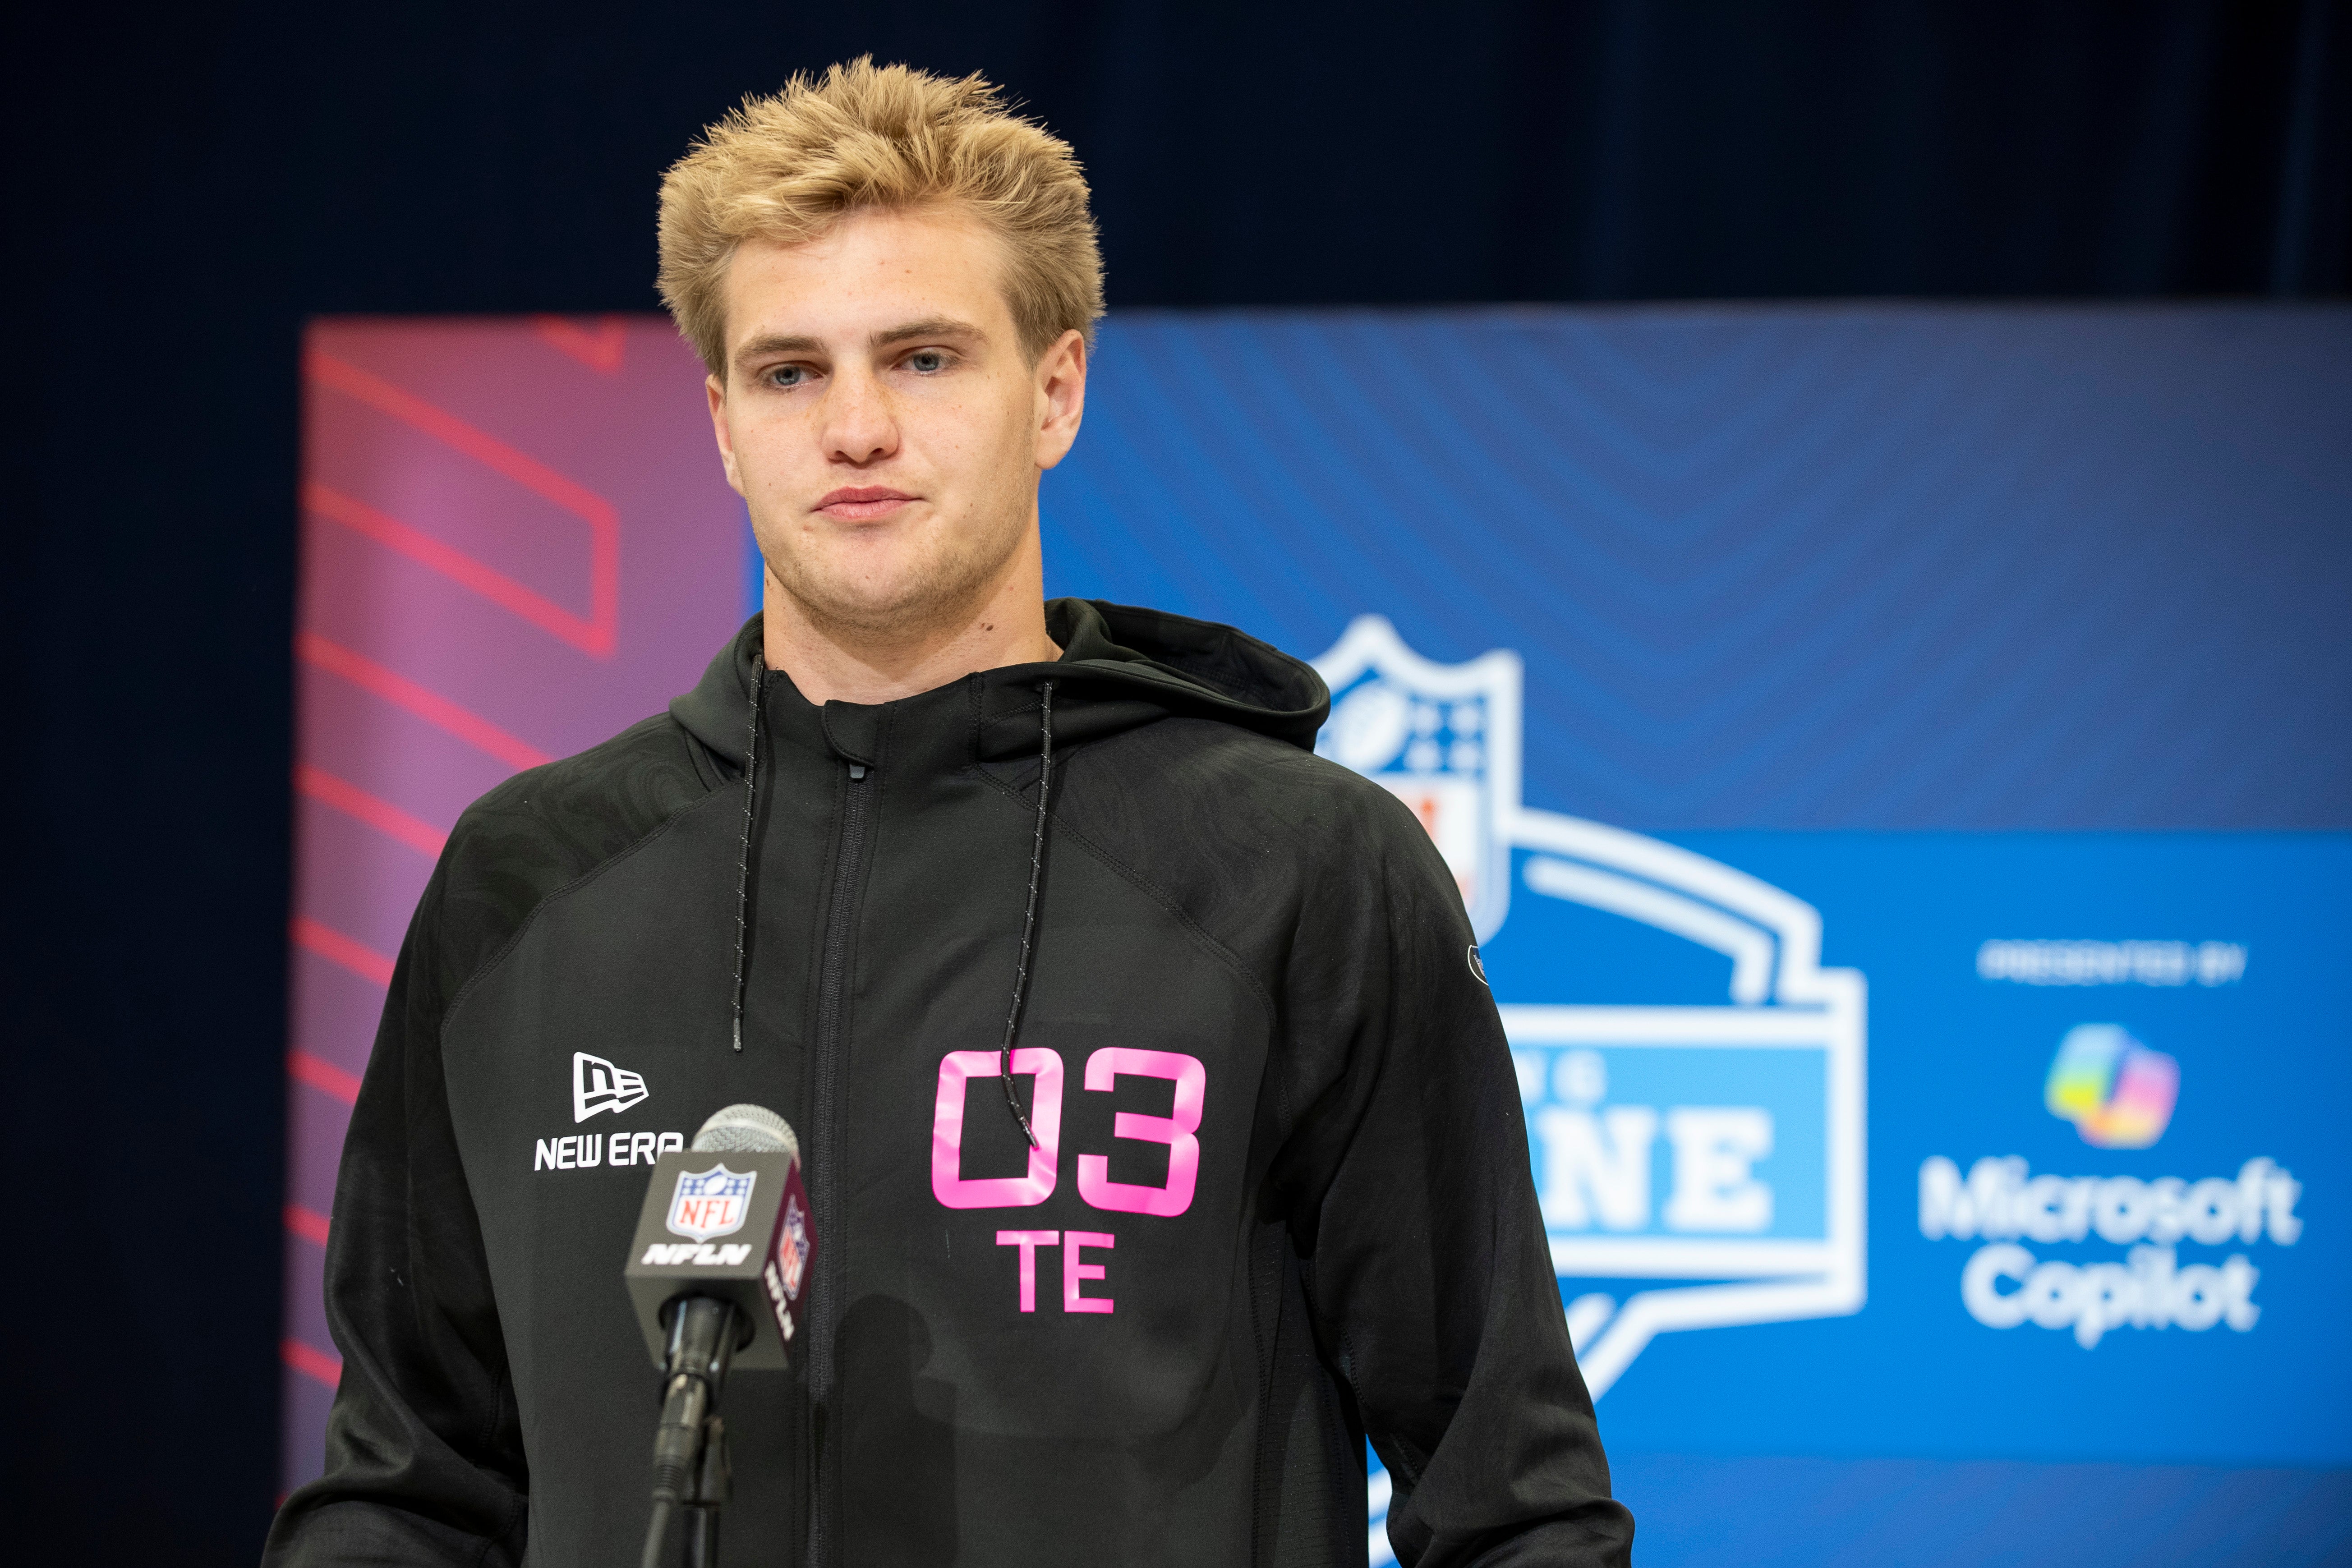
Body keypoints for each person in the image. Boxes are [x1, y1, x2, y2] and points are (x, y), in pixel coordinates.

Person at [266, 57, 1633, 1568]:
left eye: (922, 358)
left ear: (1055, 391)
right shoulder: (524, 881)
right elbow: (409, 1493)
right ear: (721, 421)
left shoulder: (1299, 867)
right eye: (791, 372)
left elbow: (1510, 1505)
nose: (855, 428)